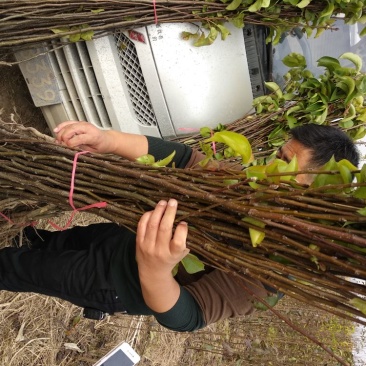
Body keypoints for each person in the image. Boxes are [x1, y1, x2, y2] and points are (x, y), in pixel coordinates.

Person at [0, 121, 359, 332]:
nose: (266, 169)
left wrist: (155, 270)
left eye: (284, 164)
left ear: (316, 193)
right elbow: (187, 160)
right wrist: (107, 139)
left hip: (113, 283)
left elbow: (190, 315)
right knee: (36, 240)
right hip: (118, 239)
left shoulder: (274, 269)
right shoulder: (253, 185)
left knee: (15, 267)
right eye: (275, 156)